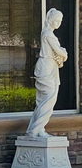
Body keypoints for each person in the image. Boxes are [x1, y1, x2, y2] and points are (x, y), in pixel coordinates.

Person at [25, 8, 68, 138]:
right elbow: (58, 51)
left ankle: (37, 129)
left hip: (51, 66)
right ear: (50, 20)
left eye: (60, 21)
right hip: (46, 66)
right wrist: (64, 53)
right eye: (57, 20)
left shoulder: (49, 34)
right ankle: (35, 130)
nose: (59, 23)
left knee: (43, 100)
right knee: (49, 98)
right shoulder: (48, 34)